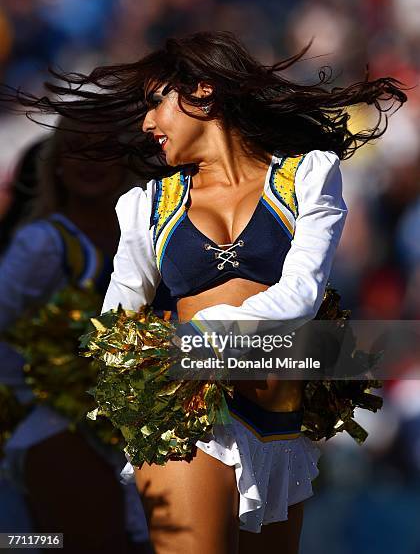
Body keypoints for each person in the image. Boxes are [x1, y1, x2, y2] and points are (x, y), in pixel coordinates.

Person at [5, 31, 406, 554]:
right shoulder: (144, 205)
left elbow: (302, 295)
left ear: (203, 92)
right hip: (182, 416)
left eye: (155, 103)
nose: (147, 123)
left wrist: (192, 342)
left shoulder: (307, 176)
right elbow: (116, 321)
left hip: (280, 423)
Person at [0, 122, 155, 553]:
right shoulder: (42, 244)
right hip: (59, 426)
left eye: (103, 148)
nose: (90, 162)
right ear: (57, 166)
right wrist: (32, 396)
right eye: (76, 150)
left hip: (138, 424)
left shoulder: (148, 235)